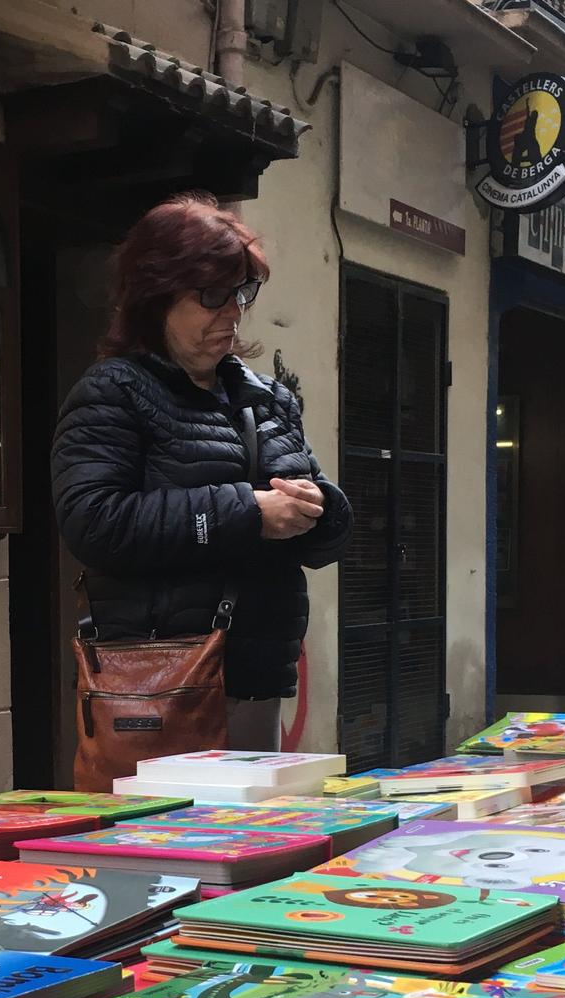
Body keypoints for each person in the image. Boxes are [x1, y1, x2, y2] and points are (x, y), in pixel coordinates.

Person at [52, 193, 351, 752]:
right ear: (156, 296)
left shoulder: (266, 399)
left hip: (258, 678)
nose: (233, 311)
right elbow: (91, 523)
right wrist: (248, 512)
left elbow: (318, 539)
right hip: (160, 681)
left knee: (253, 839)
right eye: (212, 296)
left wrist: (321, 508)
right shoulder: (112, 392)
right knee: (166, 838)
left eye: (241, 292)